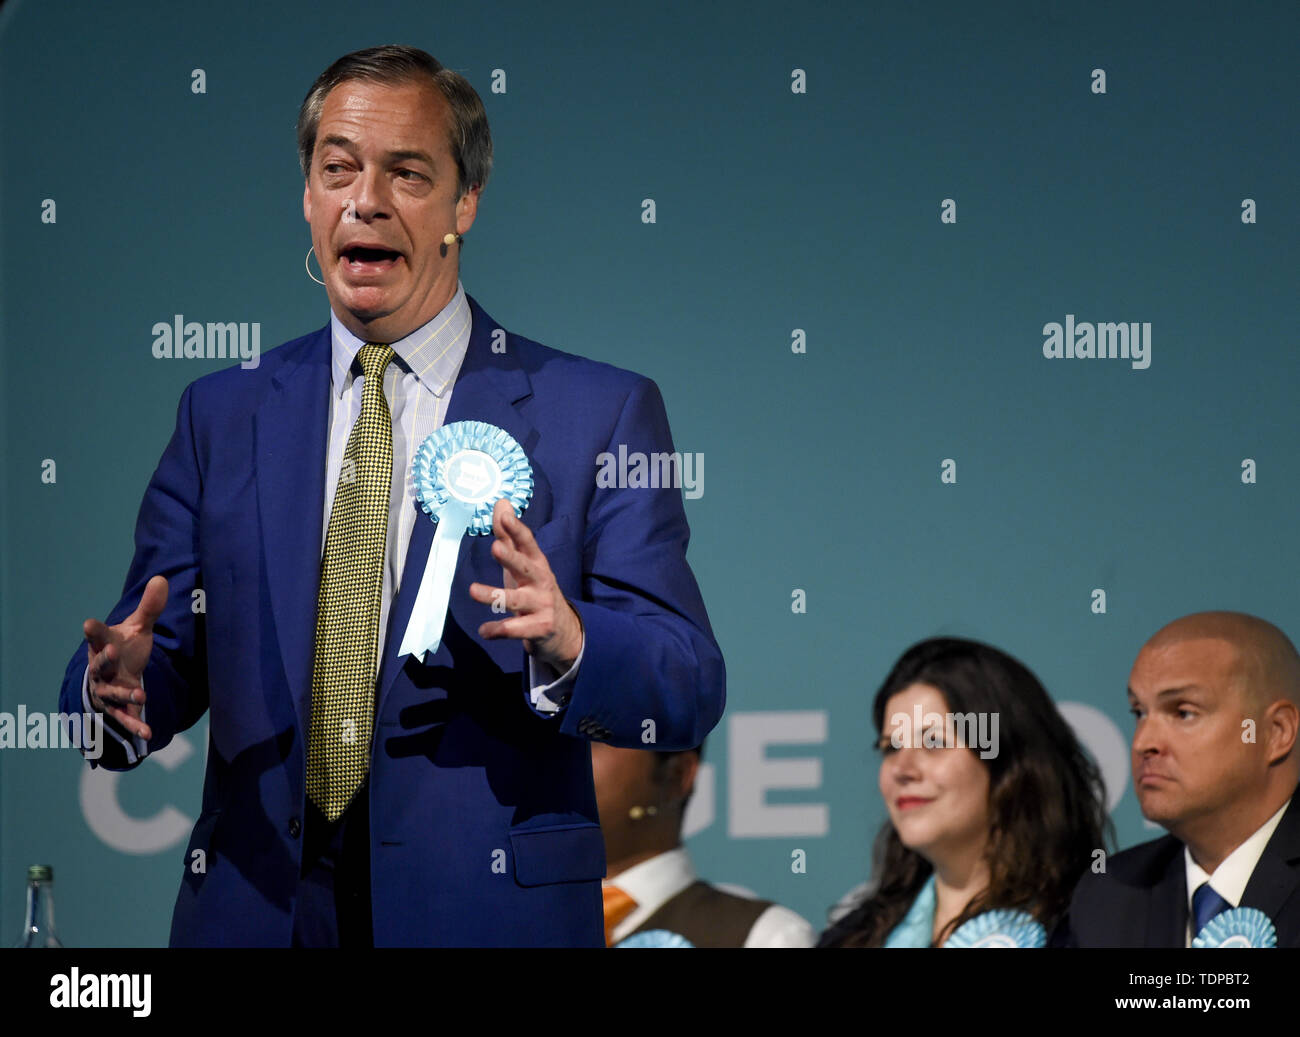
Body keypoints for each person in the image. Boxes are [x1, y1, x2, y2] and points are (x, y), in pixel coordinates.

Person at [58, 45, 724, 947]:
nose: (364, 199)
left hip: (484, 916)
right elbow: (155, 646)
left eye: (406, 173)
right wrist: (115, 691)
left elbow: (685, 679)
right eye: (337, 168)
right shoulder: (220, 412)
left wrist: (570, 640)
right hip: (258, 915)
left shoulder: (597, 412)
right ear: (307, 196)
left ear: (464, 204)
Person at [819, 637, 1110, 947]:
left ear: (1010, 762)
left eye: (933, 742)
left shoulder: (1092, 928)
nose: (902, 769)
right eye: (891, 747)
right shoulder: (851, 939)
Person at [1063, 611, 1300, 947]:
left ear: (1275, 732)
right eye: (1139, 713)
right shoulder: (1111, 894)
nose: (1144, 742)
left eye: (1183, 712)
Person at [592, 743, 814, 947]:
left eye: (593, 736)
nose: (561, 756)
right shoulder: (558, 917)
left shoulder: (769, 936)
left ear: (677, 774)